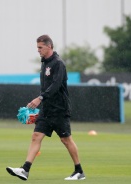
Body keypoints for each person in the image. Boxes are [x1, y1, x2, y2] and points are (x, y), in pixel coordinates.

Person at [6, 35, 85, 181]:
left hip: (60, 109)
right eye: (37, 47)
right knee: (36, 137)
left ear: (49, 46)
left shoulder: (58, 63)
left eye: (40, 47)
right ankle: (25, 169)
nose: (38, 50)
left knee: (66, 140)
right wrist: (42, 103)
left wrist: (40, 98)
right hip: (47, 110)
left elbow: (55, 85)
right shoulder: (44, 63)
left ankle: (79, 171)